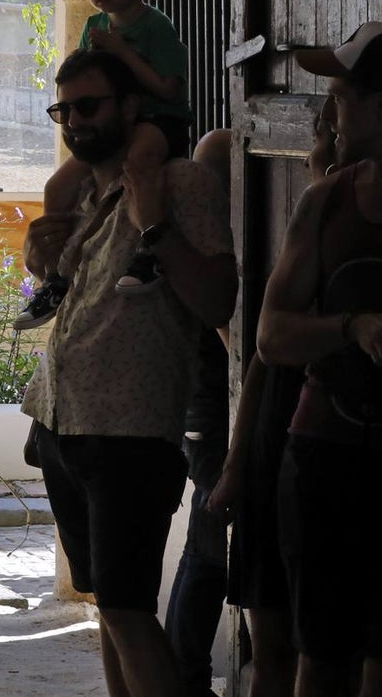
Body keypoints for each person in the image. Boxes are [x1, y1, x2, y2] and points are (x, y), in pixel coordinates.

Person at [20, 47, 236, 697]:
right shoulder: (83, 195)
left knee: (128, 610)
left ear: (132, 107)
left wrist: (156, 229)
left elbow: (218, 300)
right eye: (64, 111)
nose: (75, 122)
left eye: (89, 106)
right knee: (110, 609)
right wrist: (39, 258)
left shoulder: (180, 184)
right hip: (63, 422)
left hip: (132, 431)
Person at [257, 21, 382, 697]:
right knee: (320, 660)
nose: (324, 117)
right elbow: (271, 336)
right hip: (325, 457)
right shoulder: (324, 202)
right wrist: (352, 327)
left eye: (339, 99)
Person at [207, 116, 336, 697]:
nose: (315, 153)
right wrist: (237, 464)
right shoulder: (307, 229)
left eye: (326, 136)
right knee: (271, 647)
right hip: (272, 445)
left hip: (333, 453)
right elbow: (262, 355)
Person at [15, 0, 191, 330]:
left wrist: (121, 53)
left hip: (156, 117)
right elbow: (83, 72)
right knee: (57, 186)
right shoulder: (93, 26)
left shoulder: (155, 26)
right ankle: (57, 273)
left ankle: (149, 249)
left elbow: (169, 87)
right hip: (116, 124)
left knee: (139, 161)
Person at [163, 128, 232, 697]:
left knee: (205, 540)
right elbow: (220, 324)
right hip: (206, 403)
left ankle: (183, 673)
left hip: (202, 404)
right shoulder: (201, 238)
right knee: (209, 542)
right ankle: (185, 676)